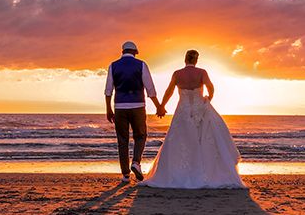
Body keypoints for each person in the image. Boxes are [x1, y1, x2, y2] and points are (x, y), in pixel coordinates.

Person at [141, 49, 245, 189]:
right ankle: (202, 171)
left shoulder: (177, 74)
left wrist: (162, 106)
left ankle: (180, 172)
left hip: (182, 109)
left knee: (180, 139)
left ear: (185, 59)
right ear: (196, 60)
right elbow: (210, 87)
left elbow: (169, 91)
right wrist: (208, 98)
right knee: (201, 139)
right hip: (199, 109)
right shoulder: (202, 72)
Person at [104, 40, 162, 183]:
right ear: (135, 52)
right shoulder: (141, 65)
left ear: (122, 52)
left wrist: (108, 109)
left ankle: (125, 175)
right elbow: (150, 89)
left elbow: (108, 90)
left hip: (119, 108)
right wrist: (158, 106)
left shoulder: (113, 66)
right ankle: (136, 162)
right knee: (140, 135)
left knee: (122, 140)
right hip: (138, 106)